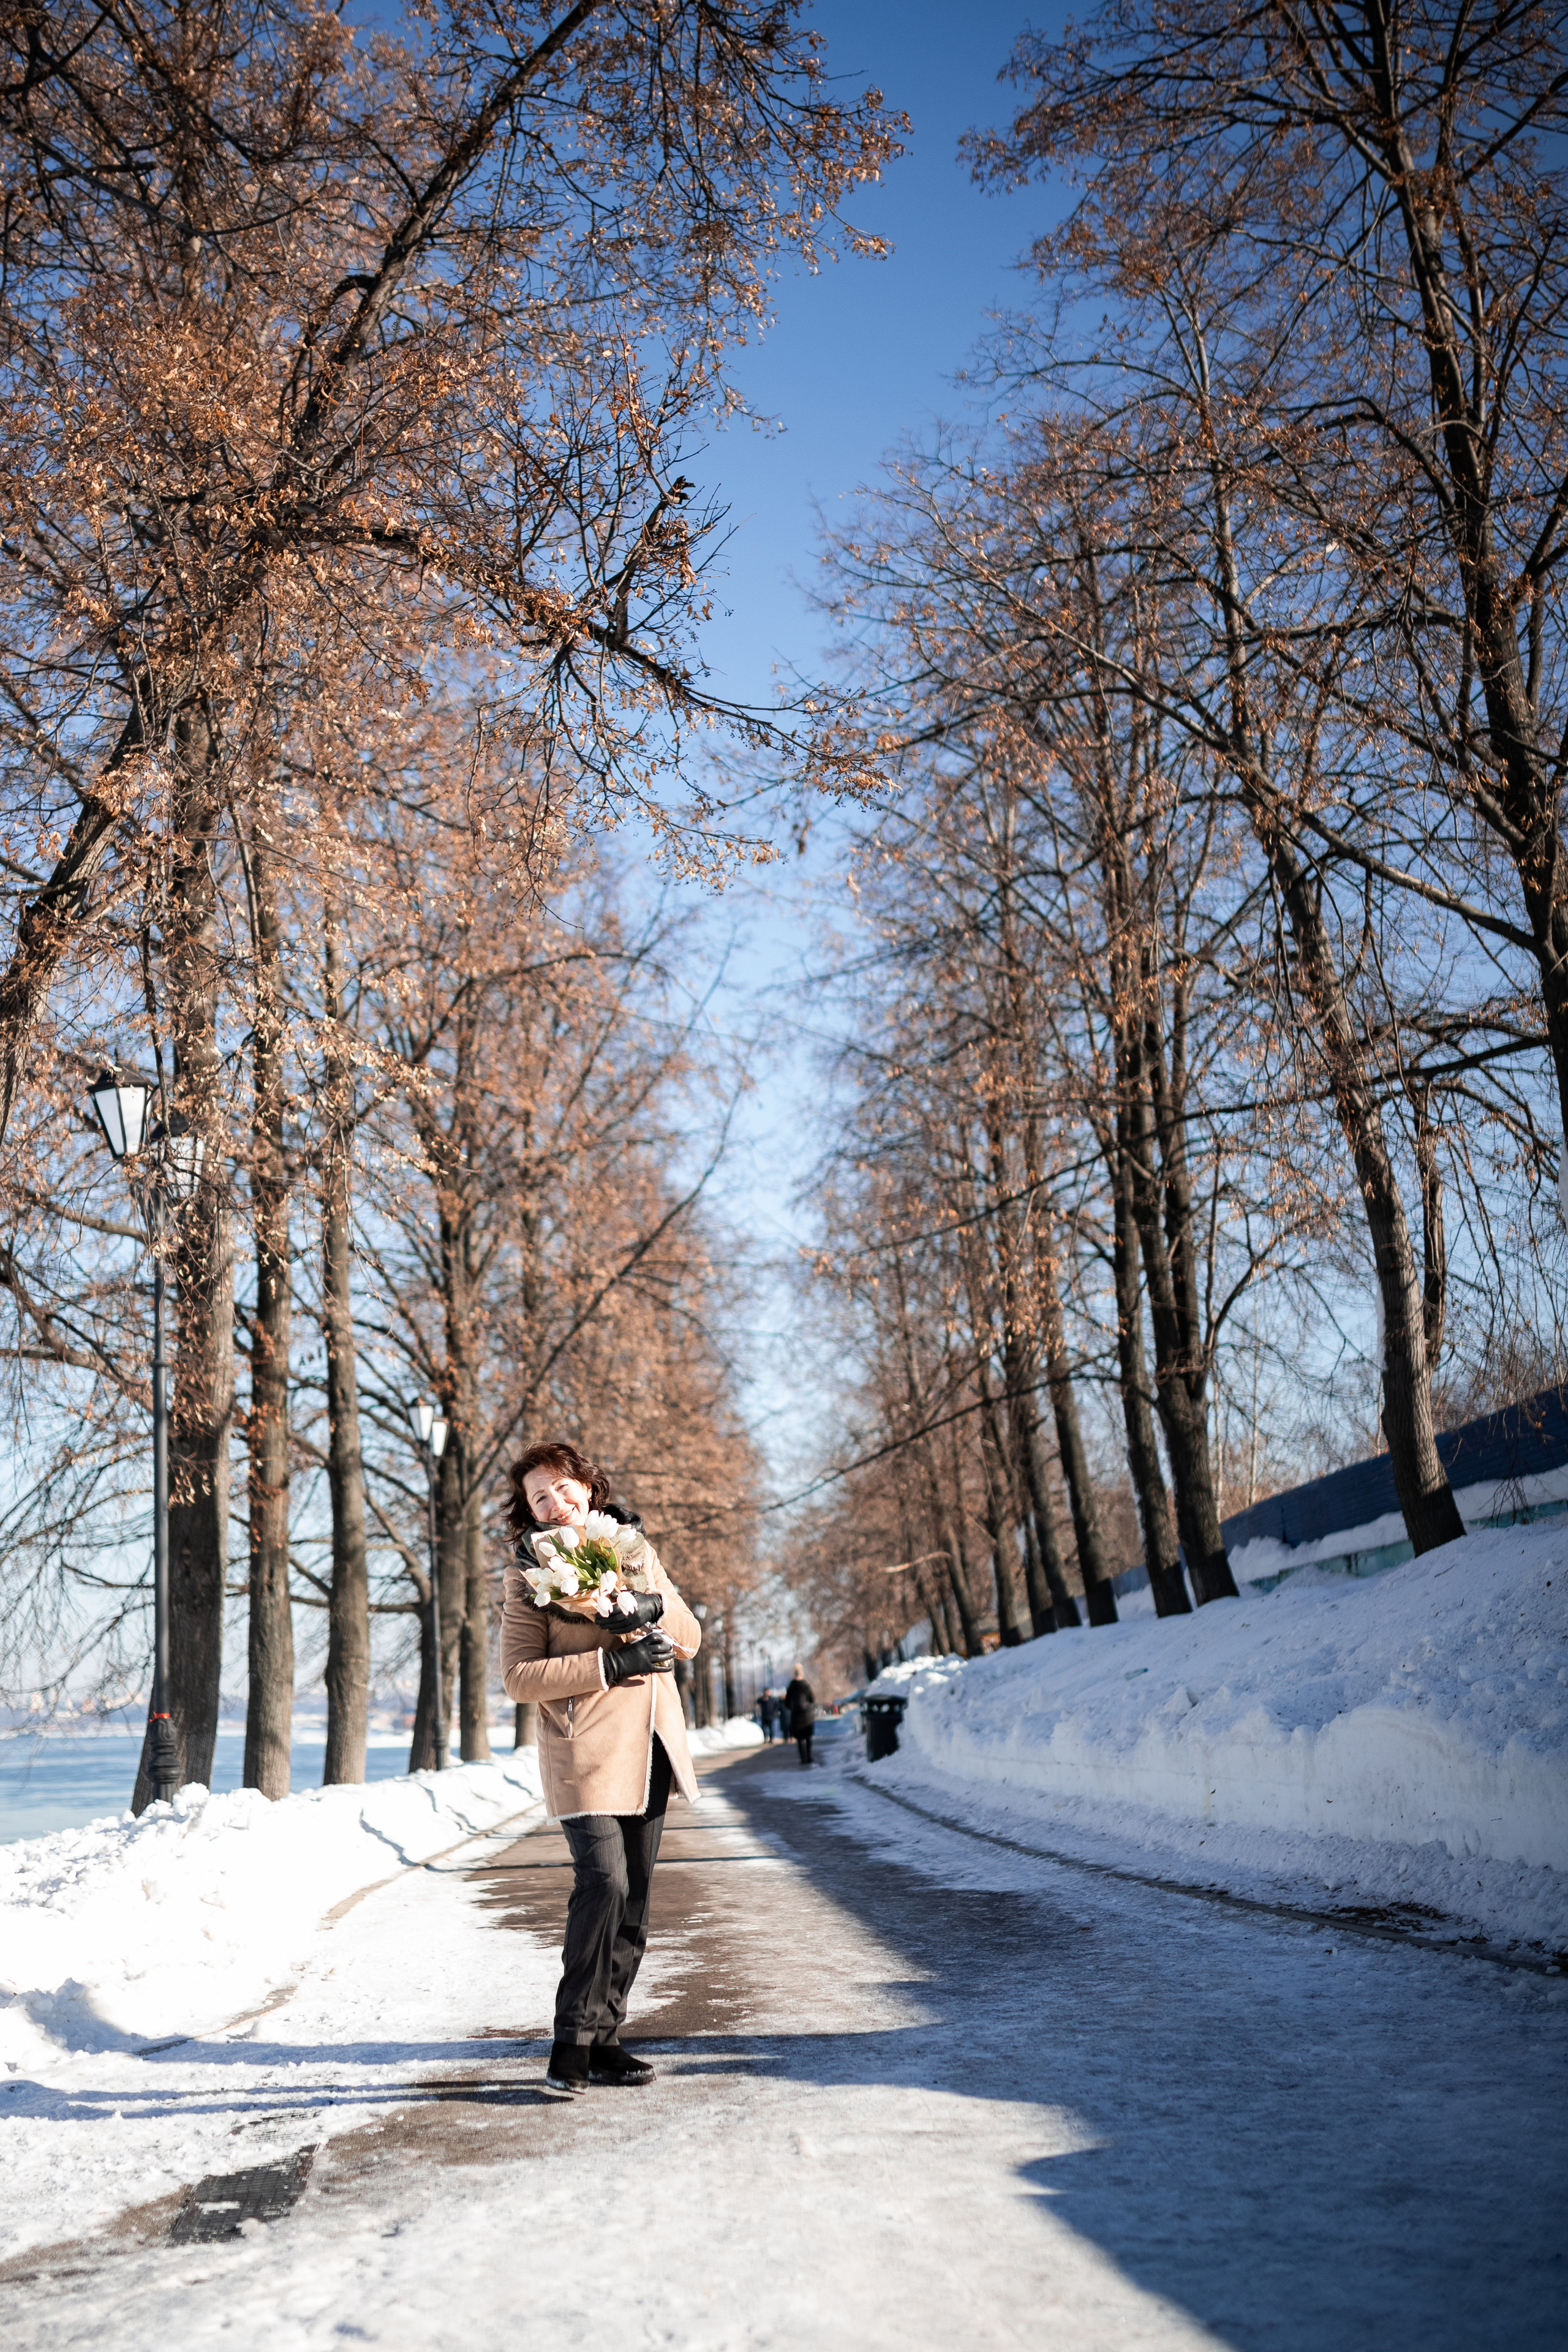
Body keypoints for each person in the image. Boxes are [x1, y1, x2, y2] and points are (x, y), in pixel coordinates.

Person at [501, 1438, 703, 2098]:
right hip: (582, 1747)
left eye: (562, 1488)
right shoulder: (528, 1573)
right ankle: (570, 2046)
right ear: (529, 1513)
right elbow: (518, 1677)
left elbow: (691, 1637)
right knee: (605, 1883)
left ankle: (606, 2037)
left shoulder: (633, 1549)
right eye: (539, 1497)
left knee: (636, 1902)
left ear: (587, 1489)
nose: (555, 1503)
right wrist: (608, 1665)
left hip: (647, 1744)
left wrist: (648, 1602)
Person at [785, 1662, 816, 1767]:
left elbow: (787, 1702)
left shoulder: (791, 1686)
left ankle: (803, 1758)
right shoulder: (806, 1685)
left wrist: (793, 1708)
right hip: (807, 1715)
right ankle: (809, 1757)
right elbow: (812, 1699)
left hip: (796, 1716)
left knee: (799, 1738)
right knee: (808, 1737)